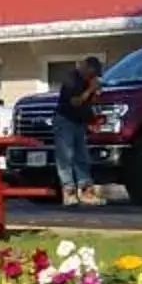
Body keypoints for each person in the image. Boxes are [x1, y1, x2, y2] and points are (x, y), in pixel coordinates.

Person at [51, 54, 105, 206]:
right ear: (86, 67)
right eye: (92, 73)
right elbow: (75, 102)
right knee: (65, 156)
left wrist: (96, 93)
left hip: (80, 122)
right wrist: (90, 89)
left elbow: (92, 102)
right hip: (65, 120)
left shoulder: (88, 82)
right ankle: (68, 191)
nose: (93, 77)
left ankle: (86, 190)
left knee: (82, 156)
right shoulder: (71, 79)